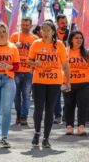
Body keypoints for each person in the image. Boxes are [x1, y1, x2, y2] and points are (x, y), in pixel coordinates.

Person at [28, 20, 70, 148]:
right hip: (39, 81)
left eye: (48, 30)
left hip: (54, 82)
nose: (45, 33)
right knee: (38, 109)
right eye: (43, 30)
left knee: (50, 110)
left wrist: (67, 81)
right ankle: (37, 133)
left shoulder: (60, 45)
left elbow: (65, 65)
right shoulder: (36, 44)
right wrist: (35, 64)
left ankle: (46, 138)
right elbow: (30, 60)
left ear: (53, 32)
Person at [64, 31, 89, 135]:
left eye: (81, 38)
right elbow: (60, 67)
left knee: (83, 105)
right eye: (76, 38)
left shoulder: (87, 53)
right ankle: (69, 126)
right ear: (71, 39)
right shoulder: (65, 51)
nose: (79, 40)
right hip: (67, 83)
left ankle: (81, 126)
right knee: (69, 105)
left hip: (84, 84)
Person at [10, 17, 38, 125]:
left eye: (27, 25)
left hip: (28, 71)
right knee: (16, 94)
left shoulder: (35, 39)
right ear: (20, 25)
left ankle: (24, 116)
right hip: (16, 70)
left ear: (31, 26)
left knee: (26, 95)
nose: (25, 27)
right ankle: (18, 113)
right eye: (23, 25)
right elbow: (8, 51)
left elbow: (37, 54)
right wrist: (14, 46)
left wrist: (34, 68)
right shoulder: (14, 36)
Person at [54, 14, 69, 124]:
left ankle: (66, 114)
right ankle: (57, 115)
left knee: (68, 93)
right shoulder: (53, 35)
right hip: (57, 68)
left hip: (68, 68)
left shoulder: (72, 34)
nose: (65, 24)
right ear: (58, 24)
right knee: (56, 95)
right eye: (62, 23)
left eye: (66, 22)